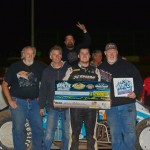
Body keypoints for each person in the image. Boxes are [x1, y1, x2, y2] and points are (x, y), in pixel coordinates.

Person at [99, 42, 143, 150]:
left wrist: (135, 92)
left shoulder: (127, 65)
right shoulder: (100, 68)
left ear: (117, 52)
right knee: (115, 135)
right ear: (105, 53)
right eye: (109, 52)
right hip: (111, 107)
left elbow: (138, 80)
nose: (112, 54)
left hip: (127, 105)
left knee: (130, 133)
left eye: (114, 52)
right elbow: (97, 86)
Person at [2, 46, 47, 150]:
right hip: (18, 102)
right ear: (23, 55)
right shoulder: (15, 66)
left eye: (32, 54)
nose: (30, 56)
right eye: (28, 53)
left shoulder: (39, 66)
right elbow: (4, 85)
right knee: (18, 130)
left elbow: (49, 76)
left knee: (39, 129)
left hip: (35, 103)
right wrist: (10, 101)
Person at [63, 48, 101, 150]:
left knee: (91, 136)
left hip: (92, 108)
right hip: (75, 108)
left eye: (86, 53)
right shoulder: (71, 70)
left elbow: (101, 89)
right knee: (74, 135)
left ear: (89, 56)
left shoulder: (96, 71)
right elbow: (62, 86)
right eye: (82, 53)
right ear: (78, 56)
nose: (84, 55)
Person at [39, 45, 71, 150]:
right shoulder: (46, 71)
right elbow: (43, 89)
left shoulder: (69, 68)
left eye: (59, 54)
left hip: (67, 107)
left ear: (61, 56)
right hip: (52, 107)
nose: (57, 57)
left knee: (67, 134)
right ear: (50, 56)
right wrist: (41, 106)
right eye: (54, 55)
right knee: (49, 134)